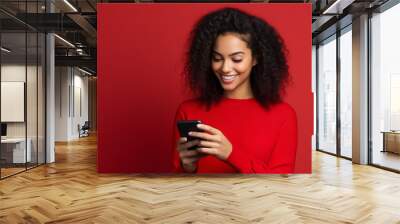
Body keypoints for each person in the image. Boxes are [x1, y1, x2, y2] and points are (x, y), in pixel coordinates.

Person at [172, 7, 297, 174]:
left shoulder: (283, 115)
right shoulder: (187, 111)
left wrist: (230, 153)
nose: (225, 68)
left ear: (256, 58)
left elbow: (281, 182)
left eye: (236, 59)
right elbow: (178, 186)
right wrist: (188, 167)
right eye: (217, 58)